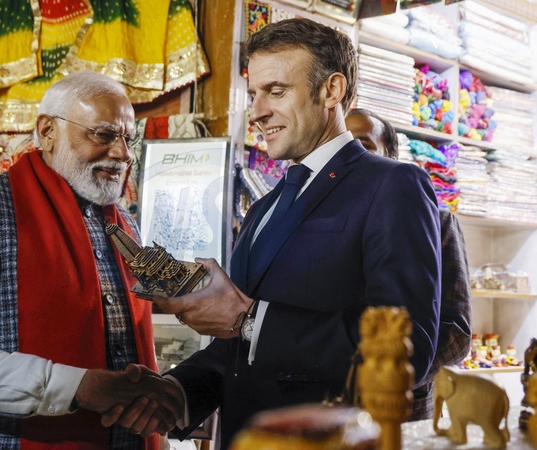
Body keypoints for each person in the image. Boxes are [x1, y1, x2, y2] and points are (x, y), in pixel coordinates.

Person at [126, 18, 442, 449]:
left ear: (331, 90)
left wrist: (249, 319)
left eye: (276, 91)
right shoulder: (263, 207)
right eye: (253, 94)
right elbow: (236, 350)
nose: (257, 111)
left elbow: (407, 348)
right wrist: (175, 394)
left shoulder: (392, 185)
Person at [0, 70, 184, 450]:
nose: (123, 154)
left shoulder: (124, 225)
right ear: (48, 131)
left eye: (128, 138)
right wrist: (79, 387)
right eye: (103, 135)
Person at [345, 107, 472, 420]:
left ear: (391, 156)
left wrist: (394, 378)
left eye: (364, 145)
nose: (352, 155)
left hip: (402, 410)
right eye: (344, 145)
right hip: (337, 409)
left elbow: (457, 333)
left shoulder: (437, 224)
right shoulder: (333, 227)